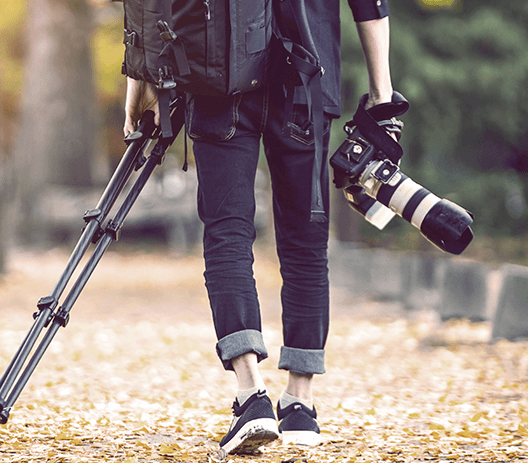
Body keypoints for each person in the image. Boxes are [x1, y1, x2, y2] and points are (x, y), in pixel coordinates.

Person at [123, 0, 395, 454]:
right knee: (306, 241)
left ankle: (252, 397)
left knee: (228, 234)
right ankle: (301, 404)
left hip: (216, 77)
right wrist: (382, 96)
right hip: (308, 76)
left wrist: (140, 79)